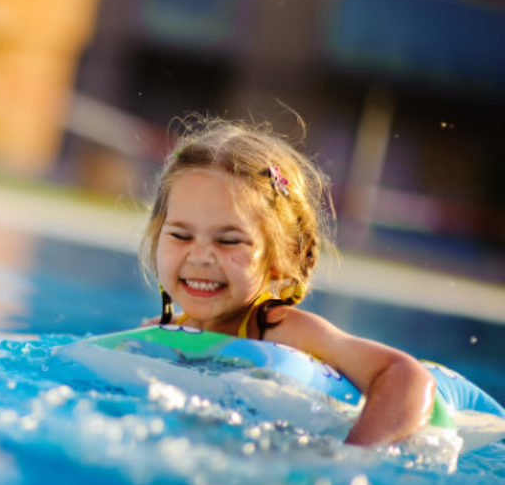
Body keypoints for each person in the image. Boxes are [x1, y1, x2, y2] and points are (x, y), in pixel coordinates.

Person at [139, 116, 436, 446]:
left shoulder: (284, 331)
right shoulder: (159, 332)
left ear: (284, 256)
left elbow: (405, 375)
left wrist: (353, 459)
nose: (200, 257)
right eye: (181, 235)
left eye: (229, 241)